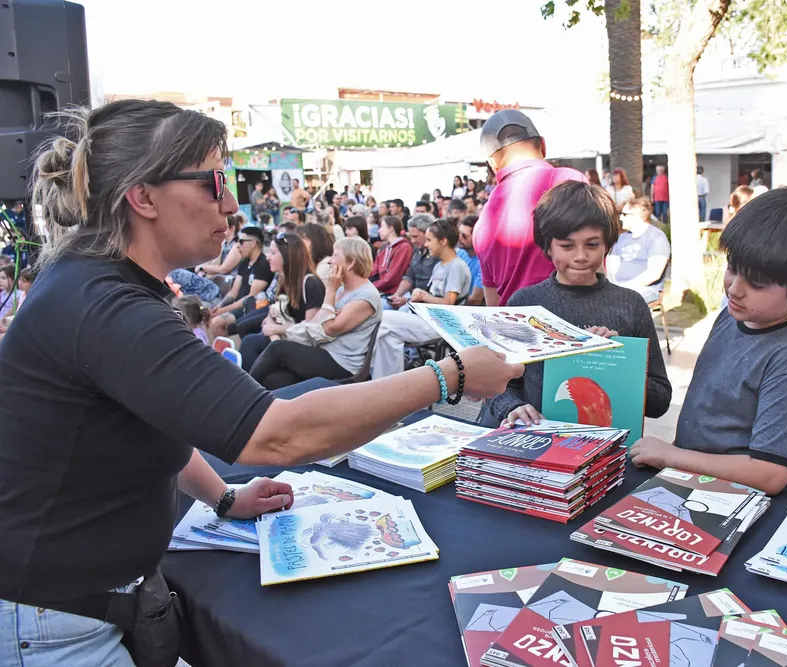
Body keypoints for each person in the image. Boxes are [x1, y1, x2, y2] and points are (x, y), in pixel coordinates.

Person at [0, 99, 522, 665]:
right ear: (143, 196)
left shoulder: (100, 287)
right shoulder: (105, 304)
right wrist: (451, 375)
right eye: (213, 182)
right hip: (56, 624)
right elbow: (279, 436)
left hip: (76, 608)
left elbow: (151, 422)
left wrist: (223, 496)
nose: (229, 202)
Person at [630, 187, 787, 495]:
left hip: (740, 502)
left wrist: (672, 456)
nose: (734, 289)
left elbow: (769, 474)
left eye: (756, 283)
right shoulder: (736, 316)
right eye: (732, 268)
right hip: (693, 481)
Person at [487, 182, 672, 428]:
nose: (581, 256)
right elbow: (498, 385)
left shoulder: (630, 305)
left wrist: (617, 361)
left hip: (609, 452)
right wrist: (512, 407)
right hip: (539, 442)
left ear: (607, 244)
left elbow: (660, 400)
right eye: (567, 245)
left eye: (592, 244)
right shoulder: (525, 305)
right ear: (548, 246)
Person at [474, 109, 586, 306]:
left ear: (492, 164)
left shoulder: (483, 220)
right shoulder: (568, 181)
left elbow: (493, 305)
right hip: (578, 328)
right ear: (543, 145)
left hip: (513, 331)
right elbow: (595, 266)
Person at [249, 237, 383, 389]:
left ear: (351, 262)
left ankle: (242, 393)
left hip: (342, 363)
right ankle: (252, 404)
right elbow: (316, 324)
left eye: (335, 255)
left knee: (278, 348)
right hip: (323, 351)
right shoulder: (341, 290)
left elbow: (327, 329)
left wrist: (330, 291)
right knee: (274, 379)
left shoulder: (366, 295)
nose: (330, 261)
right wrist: (330, 308)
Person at [372, 219, 471, 379]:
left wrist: (424, 296)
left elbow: (449, 303)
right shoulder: (440, 266)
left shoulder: (456, 266)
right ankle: (386, 380)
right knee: (385, 331)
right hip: (427, 317)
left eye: (430, 240)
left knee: (384, 320)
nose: (426, 244)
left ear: (443, 241)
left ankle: (388, 379)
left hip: (440, 324)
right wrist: (420, 296)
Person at [239, 232, 326, 371]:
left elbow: (311, 331)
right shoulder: (283, 279)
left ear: (287, 256)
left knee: (251, 343)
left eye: (273, 253)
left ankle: (247, 388)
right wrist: (274, 336)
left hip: (301, 345)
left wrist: (276, 330)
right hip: (283, 338)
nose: (267, 257)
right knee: (248, 334)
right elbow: (272, 315)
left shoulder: (311, 284)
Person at [208, 226, 274, 341]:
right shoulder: (245, 263)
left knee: (216, 323)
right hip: (237, 304)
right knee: (210, 319)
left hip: (249, 308)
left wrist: (223, 310)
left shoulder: (263, 264)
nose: (237, 245)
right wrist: (220, 306)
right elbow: (233, 291)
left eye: (241, 241)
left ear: (253, 243)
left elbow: (250, 297)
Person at [606, 197, 670, 305]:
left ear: (639, 215)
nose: (621, 218)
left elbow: (654, 274)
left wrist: (625, 288)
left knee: (620, 302)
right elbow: (611, 267)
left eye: (624, 214)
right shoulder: (622, 238)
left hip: (647, 289)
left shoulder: (656, 238)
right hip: (619, 286)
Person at [385, 213, 439, 310]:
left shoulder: (437, 255)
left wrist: (407, 300)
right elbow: (409, 277)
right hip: (411, 296)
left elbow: (433, 289)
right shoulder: (416, 251)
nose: (412, 241)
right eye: (411, 237)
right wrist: (397, 295)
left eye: (416, 236)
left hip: (425, 301)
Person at [370, 216, 414, 298]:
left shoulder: (404, 247)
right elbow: (373, 270)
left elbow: (393, 277)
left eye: (382, 226)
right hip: (381, 290)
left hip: (394, 293)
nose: (379, 230)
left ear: (391, 228)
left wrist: (370, 287)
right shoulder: (385, 248)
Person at [458, 215, 484, 306]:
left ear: (477, 236)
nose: (460, 238)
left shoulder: (483, 262)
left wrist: (449, 300)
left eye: (464, 236)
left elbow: (475, 299)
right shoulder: (459, 253)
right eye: (459, 233)